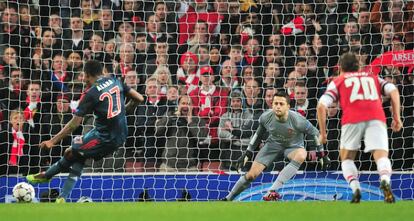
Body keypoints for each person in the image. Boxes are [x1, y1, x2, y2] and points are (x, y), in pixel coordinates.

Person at [26, 60, 144, 203]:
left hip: (105, 138)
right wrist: (123, 112)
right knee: (79, 153)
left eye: (84, 76)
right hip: (119, 133)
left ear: (87, 75)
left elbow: (74, 124)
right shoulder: (115, 80)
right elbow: (139, 98)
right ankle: (62, 197)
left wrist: (52, 141)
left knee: (71, 152)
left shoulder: (91, 94)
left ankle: (47, 175)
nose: (84, 80)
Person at [317, 52, 402, 203]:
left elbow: (322, 105)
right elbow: (393, 91)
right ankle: (385, 180)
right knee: (381, 156)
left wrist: (323, 134)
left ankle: (356, 188)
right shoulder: (372, 77)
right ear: (358, 66)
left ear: (341, 67)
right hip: (376, 117)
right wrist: (397, 118)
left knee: (347, 159)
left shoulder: (339, 80)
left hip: (352, 119)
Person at [222, 91, 330, 201]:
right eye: (275, 103)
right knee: (251, 175)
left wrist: (321, 153)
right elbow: (258, 134)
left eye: (281, 104)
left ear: (288, 106)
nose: (278, 106)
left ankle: (272, 191)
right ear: (272, 105)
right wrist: (248, 152)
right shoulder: (266, 117)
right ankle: (228, 198)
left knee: (302, 154)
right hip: (272, 146)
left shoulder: (298, 120)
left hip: (292, 147)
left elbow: (315, 133)